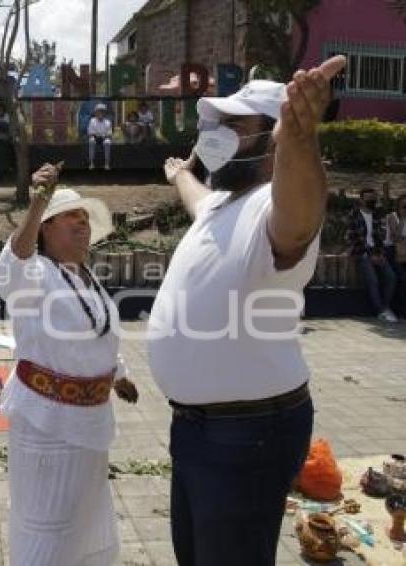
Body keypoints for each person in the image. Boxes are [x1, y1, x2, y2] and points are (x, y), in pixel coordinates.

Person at [154, 56, 347, 565]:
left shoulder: (273, 207)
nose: (215, 135)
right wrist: (179, 174)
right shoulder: (221, 204)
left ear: (272, 138)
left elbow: (300, 214)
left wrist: (301, 142)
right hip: (197, 430)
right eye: (214, 125)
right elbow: (195, 197)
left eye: (233, 124)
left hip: (247, 436)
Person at [0, 163, 138, 566]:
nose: (80, 223)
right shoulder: (34, 274)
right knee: (48, 523)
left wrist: (119, 375)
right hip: (46, 424)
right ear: (44, 229)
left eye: (84, 217)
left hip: (91, 422)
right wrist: (39, 199)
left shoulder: (86, 276)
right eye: (68, 217)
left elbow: (99, 336)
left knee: (83, 517)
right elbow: (13, 261)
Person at [348, 188, 398, 322]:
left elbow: (380, 237)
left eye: (374, 198)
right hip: (361, 253)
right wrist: (370, 255)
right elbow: (355, 238)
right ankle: (380, 310)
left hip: (376, 253)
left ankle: (385, 307)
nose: (372, 201)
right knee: (373, 280)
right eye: (369, 198)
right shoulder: (354, 214)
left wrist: (380, 254)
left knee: (391, 277)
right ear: (361, 200)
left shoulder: (377, 215)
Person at [88, 103, 113, 170]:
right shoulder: (92, 120)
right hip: (95, 138)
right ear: (96, 112)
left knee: (107, 142)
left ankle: (107, 163)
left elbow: (109, 134)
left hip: (104, 138)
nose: (100, 113)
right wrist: (96, 135)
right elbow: (90, 132)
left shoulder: (108, 122)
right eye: (99, 111)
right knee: (91, 141)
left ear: (105, 113)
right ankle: (91, 162)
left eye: (102, 111)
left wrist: (104, 136)